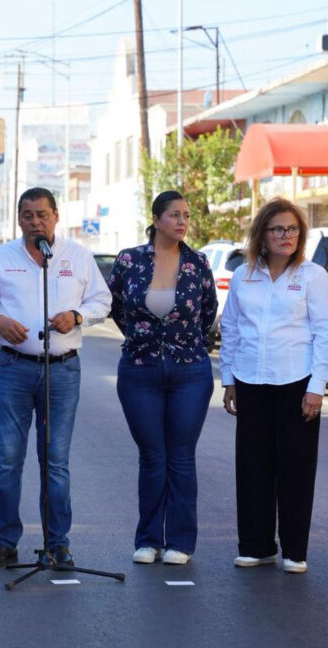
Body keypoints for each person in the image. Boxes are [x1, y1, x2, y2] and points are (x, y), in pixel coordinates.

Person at [0, 187, 112, 568]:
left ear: (56, 217)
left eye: (42, 214)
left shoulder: (77, 257)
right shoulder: (1, 258)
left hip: (62, 369)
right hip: (14, 368)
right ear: (19, 219)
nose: (35, 222)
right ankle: (5, 542)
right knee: (7, 461)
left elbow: (103, 300)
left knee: (56, 461)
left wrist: (77, 316)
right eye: (28, 215)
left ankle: (57, 544)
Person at [219, 198, 328, 574]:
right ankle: (256, 546)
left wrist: (317, 387)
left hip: (297, 383)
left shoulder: (312, 275)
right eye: (278, 229)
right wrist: (229, 380)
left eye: (293, 229)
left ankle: (294, 551)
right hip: (251, 381)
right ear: (262, 235)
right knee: (253, 467)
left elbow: (324, 334)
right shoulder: (243, 275)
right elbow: (232, 329)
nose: (287, 236)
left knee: (296, 469)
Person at [108, 190, 217, 566]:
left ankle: (180, 543)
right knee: (152, 456)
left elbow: (207, 315)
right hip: (139, 369)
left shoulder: (199, 263)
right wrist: (145, 340)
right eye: (174, 215)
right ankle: (149, 540)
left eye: (186, 215)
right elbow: (117, 307)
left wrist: (178, 344)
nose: (182, 221)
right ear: (156, 220)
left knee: (181, 457)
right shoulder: (128, 260)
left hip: (190, 371)